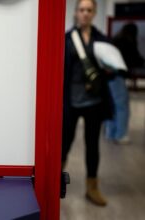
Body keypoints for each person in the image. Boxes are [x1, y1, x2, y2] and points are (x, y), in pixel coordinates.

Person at [62, 0, 113, 206]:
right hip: (71, 101)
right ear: (76, 13)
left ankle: (92, 188)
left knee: (93, 146)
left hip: (94, 102)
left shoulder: (102, 40)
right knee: (64, 144)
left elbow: (110, 70)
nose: (85, 13)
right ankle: (54, 184)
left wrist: (106, 74)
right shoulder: (66, 39)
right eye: (81, 10)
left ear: (94, 13)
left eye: (89, 10)